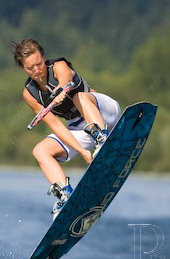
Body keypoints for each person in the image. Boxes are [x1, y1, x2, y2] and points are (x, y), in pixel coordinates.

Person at [13, 38, 121, 219]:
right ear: (24, 68)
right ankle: (66, 196)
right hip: (80, 128)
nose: (37, 70)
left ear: (43, 57)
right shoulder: (30, 94)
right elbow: (56, 126)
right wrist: (82, 151)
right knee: (40, 151)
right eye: (30, 68)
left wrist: (61, 90)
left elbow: (65, 78)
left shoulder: (58, 66)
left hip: (104, 112)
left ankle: (103, 139)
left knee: (80, 97)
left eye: (39, 64)